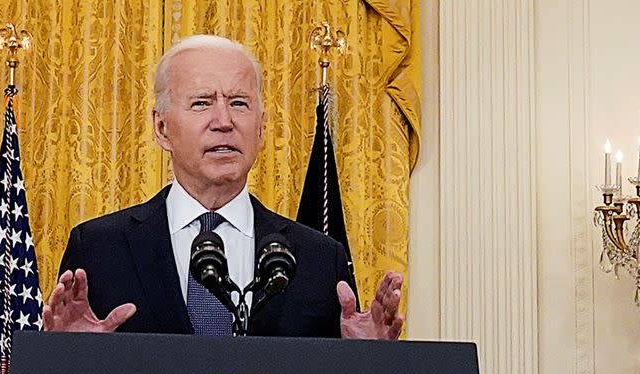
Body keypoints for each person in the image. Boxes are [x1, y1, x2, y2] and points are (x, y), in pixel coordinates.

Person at [43, 35, 403, 340]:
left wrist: (366, 358)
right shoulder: (98, 250)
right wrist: (67, 356)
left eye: (239, 103)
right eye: (201, 103)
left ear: (261, 128)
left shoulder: (320, 259)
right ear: (162, 128)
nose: (224, 122)